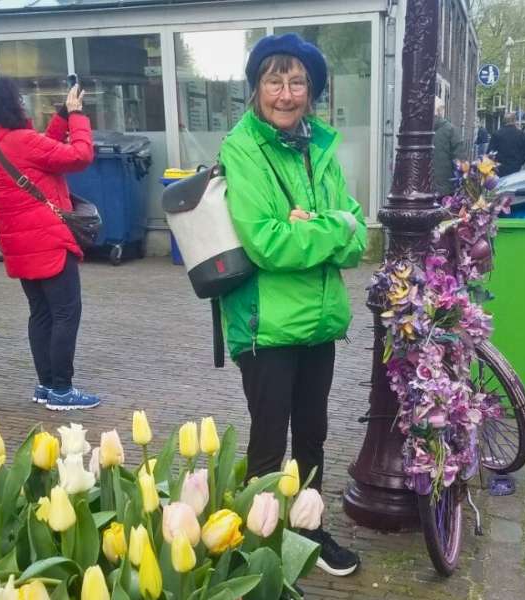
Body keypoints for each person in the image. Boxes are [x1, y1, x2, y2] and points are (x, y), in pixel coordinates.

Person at [219, 33, 367, 577]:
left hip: (319, 321)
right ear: (256, 89)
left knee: (312, 434)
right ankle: (258, 552)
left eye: (297, 80)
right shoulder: (242, 148)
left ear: (313, 90)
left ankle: (308, 529)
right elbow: (266, 242)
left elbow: (357, 239)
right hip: (265, 323)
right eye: (273, 79)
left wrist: (318, 225)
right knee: (266, 444)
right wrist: (331, 227)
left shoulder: (320, 147)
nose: (285, 93)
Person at [0, 77, 100, 411]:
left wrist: (62, 116)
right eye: (18, 99)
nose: (22, 103)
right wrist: (79, 117)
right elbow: (80, 155)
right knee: (66, 314)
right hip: (49, 243)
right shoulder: (21, 142)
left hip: (20, 248)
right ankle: (63, 391)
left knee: (41, 314)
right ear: (8, 104)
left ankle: (46, 385)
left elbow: (44, 151)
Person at [432, 97, 467, 196]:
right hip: (445, 188)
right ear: (439, 111)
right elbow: (460, 160)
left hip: (422, 189)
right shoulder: (450, 130)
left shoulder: (418, 129)